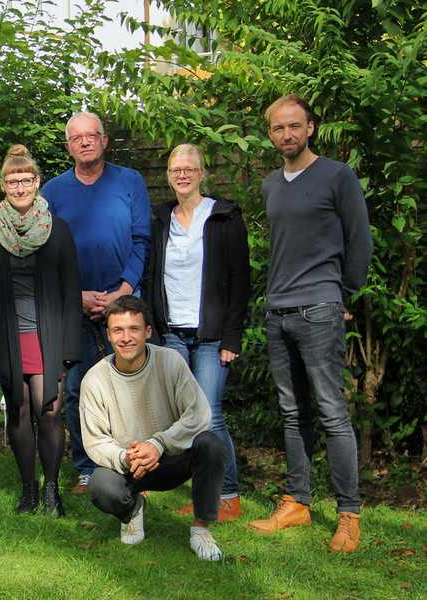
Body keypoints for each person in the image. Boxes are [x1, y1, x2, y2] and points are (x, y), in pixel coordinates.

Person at [248, 95, 372, 553]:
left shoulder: (338, 176)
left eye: (295, 126)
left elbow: (359, 240)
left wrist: (342, 295)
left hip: (320, 308)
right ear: (271, 133)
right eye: (278, 128)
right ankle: (298, 502)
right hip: (277, 309)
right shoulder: (270, 185)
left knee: (332, 413)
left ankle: (349, 514)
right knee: (292, 411)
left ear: (311, 127)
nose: (287, 135)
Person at [0, 144, 82, 516]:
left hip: (48, 336)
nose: (19, 188)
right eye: (12, 181)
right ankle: (29, 490)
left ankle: (51, 490)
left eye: (26, 180)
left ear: (37, 181)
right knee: (18, 410)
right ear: (2, 185)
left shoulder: (57, 229)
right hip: (7, 339)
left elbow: (71, 287)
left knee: (48, 409)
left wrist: (70, 344)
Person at [42, 111, 152, 494]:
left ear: (105, 140)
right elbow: (46, 253)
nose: (85, 141)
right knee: (79, 389)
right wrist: (77, 296)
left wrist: (124, 290)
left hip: (125, 304)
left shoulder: (130, 181)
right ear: (68, 146)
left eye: (92, 135)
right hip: (75, 306)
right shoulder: (52, 192)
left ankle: (141, 466)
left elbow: (142, 241)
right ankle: (88, 469)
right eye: (77, 138)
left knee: (137, 387)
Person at [144, 144, 250, 521]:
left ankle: (230, 495)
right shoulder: (161, 219)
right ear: (168, 176)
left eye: (190, 169)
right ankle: (207, 492)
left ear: (203, 173)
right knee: (182, 416)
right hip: (172, 333)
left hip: (211, 336)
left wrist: (232, 337)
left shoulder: (223, 216)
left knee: (210, 415)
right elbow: (151, 274)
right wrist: (153, 331)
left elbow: (240, 280)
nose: (183, 175)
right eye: (176, 170)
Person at [80, 296, 226, 561]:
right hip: (129, 464)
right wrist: (126, 456)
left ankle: (201, 529)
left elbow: (199, 414)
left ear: (148, 332)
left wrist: (158, 444)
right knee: (101, 487)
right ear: (109, 335)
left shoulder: (170, 362)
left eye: (134, 329)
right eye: (118, 330)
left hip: (170, 458)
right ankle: (133, 509)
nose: (126, 337)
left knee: (211, 444)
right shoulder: (94, 379)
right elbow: (95, 439)